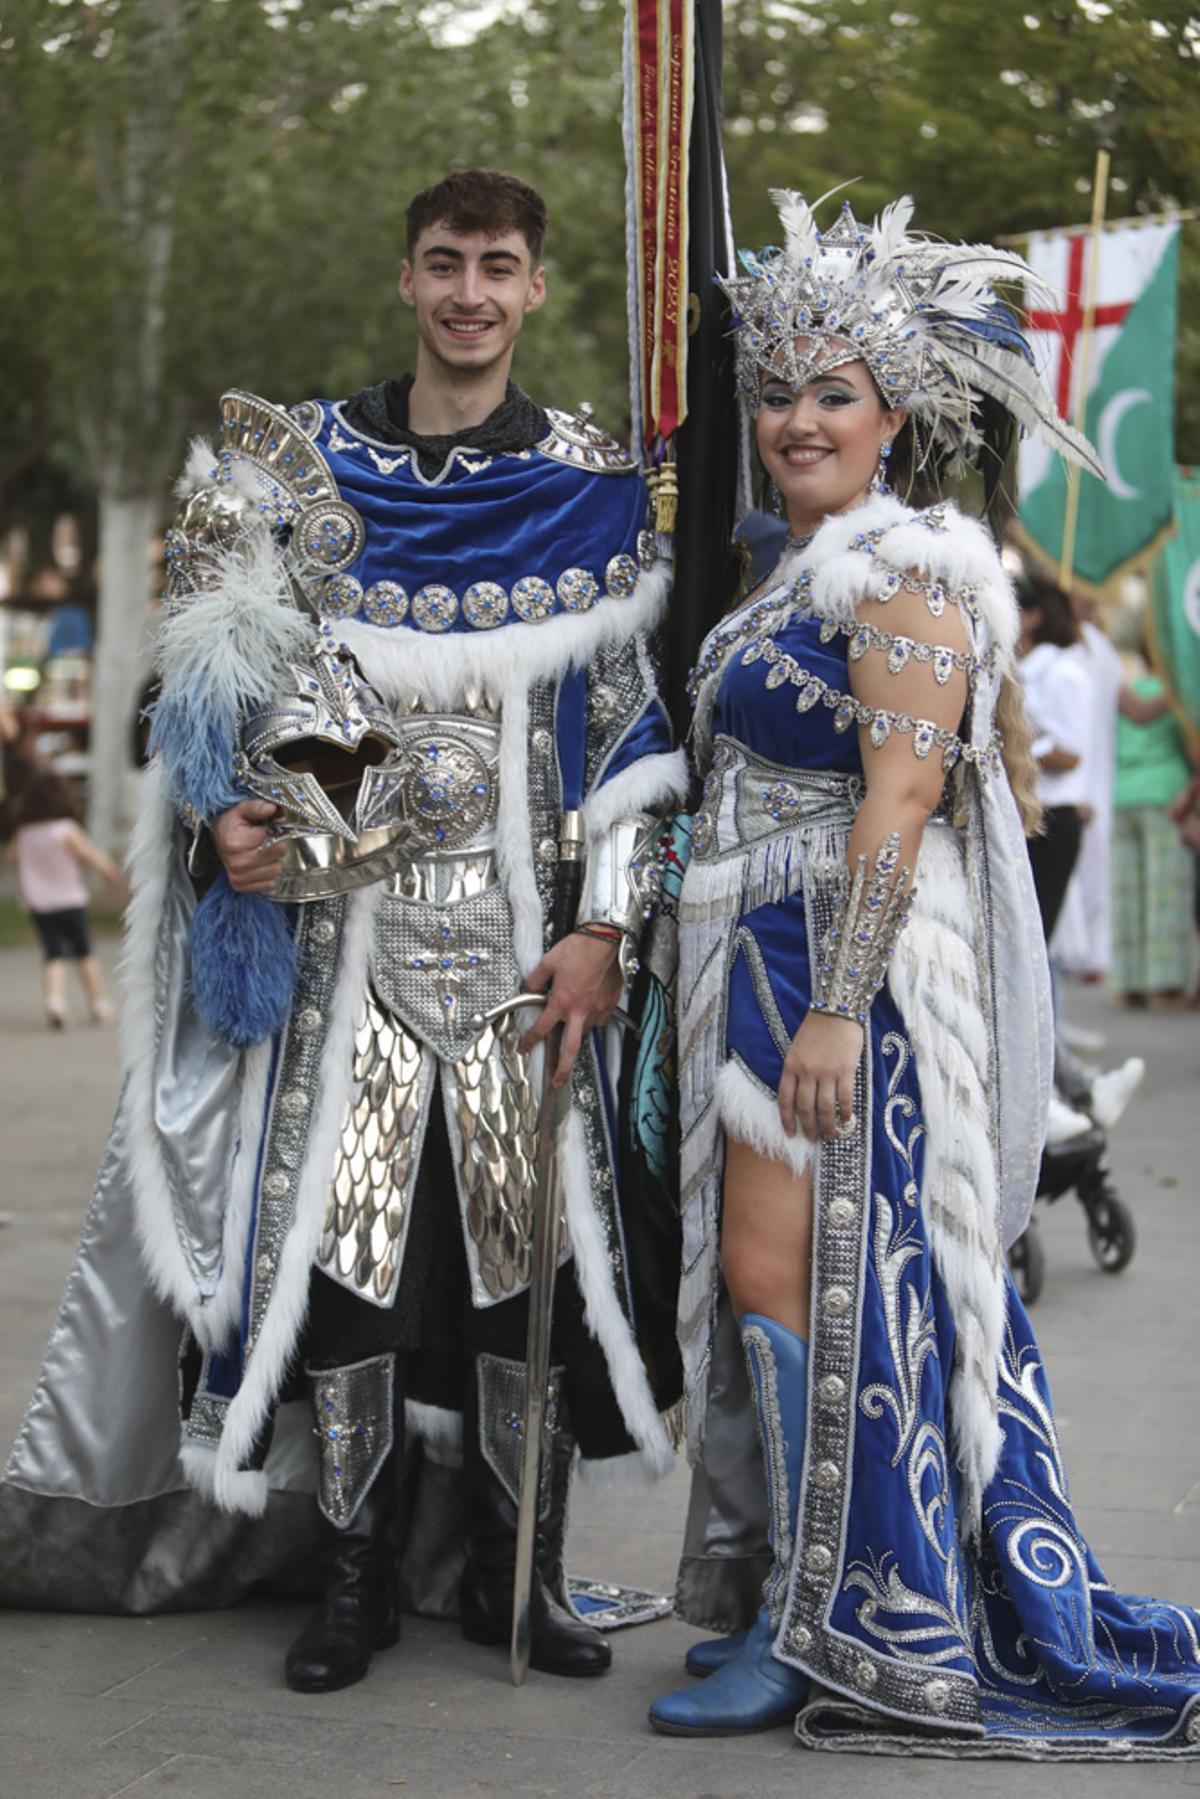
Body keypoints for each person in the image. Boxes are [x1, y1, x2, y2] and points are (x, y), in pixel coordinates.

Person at [1, 170, 685, 1691]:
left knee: (528, 1276)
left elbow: (630, 749)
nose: (467, 292)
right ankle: (359, 1577)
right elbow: (210, 716)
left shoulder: (591, 482)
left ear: (531, 290)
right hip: (346, 957)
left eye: (497, 267)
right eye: (443, 263)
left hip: (527, 958)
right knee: (349, 1267)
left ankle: (528, 1574)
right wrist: (210, 827)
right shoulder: (301, 473)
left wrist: (608, 934)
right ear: (405, 279)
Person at [651, 191, 1200, 1756]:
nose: (798, 417)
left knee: (796, 1286)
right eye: (780, 390)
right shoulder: (791, 568)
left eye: (835, 392)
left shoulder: (908, 570)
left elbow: (897, 810)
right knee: (780, 1287)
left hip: (832, 984)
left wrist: (836, 998)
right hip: (746, 966)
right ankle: (796, 1589)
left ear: (894, 415)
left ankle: (821, 1621)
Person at [1112, 649, 1196, 1006]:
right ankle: (1166, 981)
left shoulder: (1125, 691)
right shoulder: (1180, 691)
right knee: (1165, 892)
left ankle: (1129, 981)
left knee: (1127, 892)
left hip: (1122, 792)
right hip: (1165, 791)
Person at [9, 766, 123, 1026]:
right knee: (84, 952)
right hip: (69, 899)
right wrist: (109, 871)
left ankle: (55, 1000)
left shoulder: (24, 833)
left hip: (39, 902)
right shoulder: (65, 829)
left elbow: (13, 859)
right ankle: (98, 1002)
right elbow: (90, 854)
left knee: (53, 953)